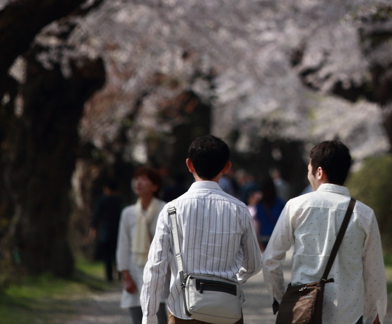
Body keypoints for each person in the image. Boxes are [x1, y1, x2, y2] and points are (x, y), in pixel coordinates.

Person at [141, 135, 263, 324]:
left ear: (189, 165)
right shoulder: (239, 209)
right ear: (226, 167)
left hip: (183, 310)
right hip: (227, 311)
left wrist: (149, 316)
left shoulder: (171, 209)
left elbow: (156, 267)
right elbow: (254, 264)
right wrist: (228, 282)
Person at [263, 141, 386, 324]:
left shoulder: (296, 206)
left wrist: (283, 299)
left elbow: (270, 260)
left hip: (302, 312)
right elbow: (374, 273)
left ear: (319, 172)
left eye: (309, 170)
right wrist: (373, 316)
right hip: (349, 315)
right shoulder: (364, 214)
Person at [118, 167, 168, 324]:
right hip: (135, 268)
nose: (138, 182)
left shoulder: (165, 209)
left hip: (159, 270)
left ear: (155, 186)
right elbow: (123, 245)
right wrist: (126, 276)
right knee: (136, 314)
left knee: (158, 314)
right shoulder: (128, 213)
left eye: (144, 179)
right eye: (136, 179)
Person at [90, 180, 124, 281]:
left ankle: (109, 277)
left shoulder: (102, 200)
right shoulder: (120, 200)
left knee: (107, 257)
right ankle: (120, 275)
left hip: (106, 232)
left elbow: (96, 216)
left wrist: (93, 229)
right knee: (117, 255)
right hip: (119, 231)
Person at [253, 178, 285, 249]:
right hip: (277, 236)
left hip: (264, 235)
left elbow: (258, 221)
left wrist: (257, 237)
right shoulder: (280, 203)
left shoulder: (260, 204)